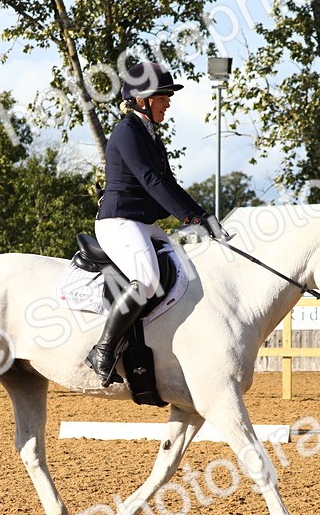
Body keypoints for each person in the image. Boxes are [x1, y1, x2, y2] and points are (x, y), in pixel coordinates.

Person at [85, 61, 230, 386]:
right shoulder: (127, 131)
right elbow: (151, 181)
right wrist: (190, 217)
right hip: (119, 221)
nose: (168, 103)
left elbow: (170, 184)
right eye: (162, 97)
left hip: (143, 222)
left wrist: (203, 216)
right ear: (142, 100)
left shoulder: (149, 134)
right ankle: (103, 350)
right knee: (148, 280)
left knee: (184, 269)